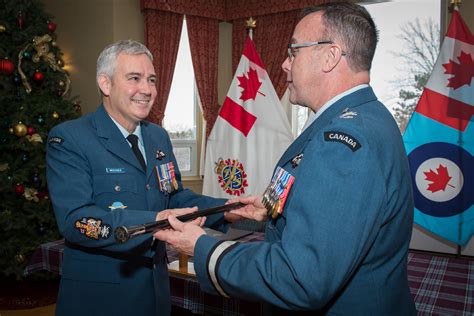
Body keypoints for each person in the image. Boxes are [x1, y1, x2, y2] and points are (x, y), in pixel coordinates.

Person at [155, 2, 417, 315]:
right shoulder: (366, 117)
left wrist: (202, 247)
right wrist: (275, 211)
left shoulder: (343, 142)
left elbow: (302, 277)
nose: (284, 64)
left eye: (293, 51)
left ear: (330, 56)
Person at [46, 40, 229, 316]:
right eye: (135, 78)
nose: (147, 89)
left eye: (151, 79)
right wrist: (151, 223)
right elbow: (76, 221)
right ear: (105, 84)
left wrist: (227, 210)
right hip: (100, 298)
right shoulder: (70, 138)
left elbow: (174, 196)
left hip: (155, 293)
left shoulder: (158, 137)